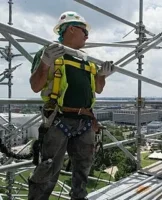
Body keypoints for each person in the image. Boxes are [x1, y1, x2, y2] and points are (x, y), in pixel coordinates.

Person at [28, 11, 114, 200]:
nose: (87, 36)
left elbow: (97, 90)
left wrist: (101, 76)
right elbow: (35, 86)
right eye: (84, 31)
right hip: (58, 119)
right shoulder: (49, 53)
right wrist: (44, 63)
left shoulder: (86, 60)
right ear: (72, 29)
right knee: (48, 170)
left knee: (83, 169)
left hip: (84, 120)